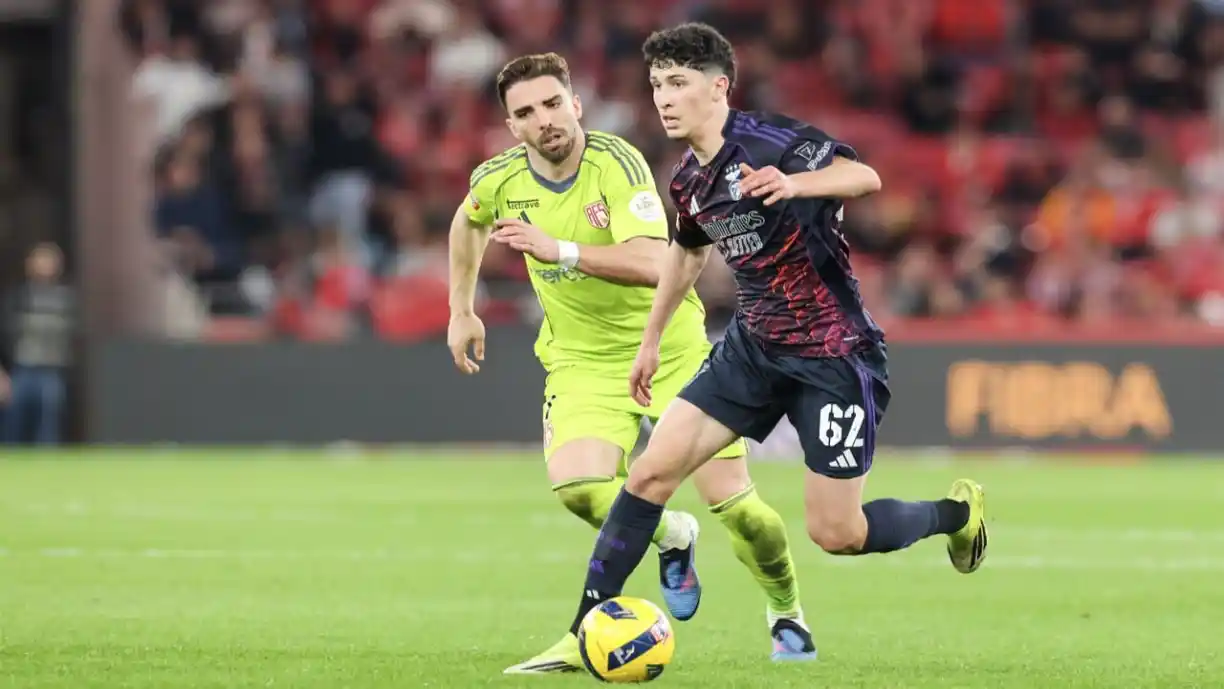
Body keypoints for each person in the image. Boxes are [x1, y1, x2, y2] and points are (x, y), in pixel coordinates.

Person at [557, 23, 990, 654]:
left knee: (837, 533)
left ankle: (956, 515)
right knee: (649, 476)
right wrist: (650, 340)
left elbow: (863, 177)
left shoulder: (772, 142)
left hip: (833, 354)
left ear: (719, 87)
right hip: (752, 350)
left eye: (678, 83)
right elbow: (684, 255)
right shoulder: (688, 180)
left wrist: (793, 184)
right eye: (656, 85)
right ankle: (582, 634)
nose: (664, 98)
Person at [446, 53, 816, 674]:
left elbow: (653, 263)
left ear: (576, 104)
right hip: (582, 361)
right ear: (512, 127)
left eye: (552, 104)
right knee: (579, 488)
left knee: (739, 508)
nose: (545, 120)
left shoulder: (616, 165)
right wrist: (461, 308)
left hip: (668, 349)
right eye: (527, 113)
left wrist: (558, 250)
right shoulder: (500, 177)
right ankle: (672, 533)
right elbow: (469, 220)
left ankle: (786, 611)